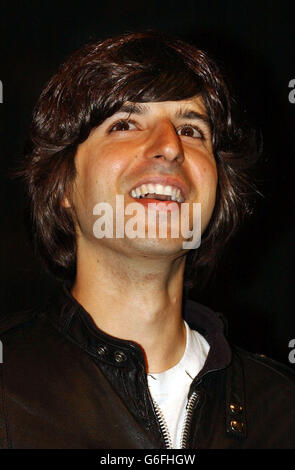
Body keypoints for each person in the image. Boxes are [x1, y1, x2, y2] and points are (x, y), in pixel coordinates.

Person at [1, 31, 294, 450]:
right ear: (63, 185)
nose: (169, 147)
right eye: (124, 124)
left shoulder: (282, 409)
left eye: (192, 130)